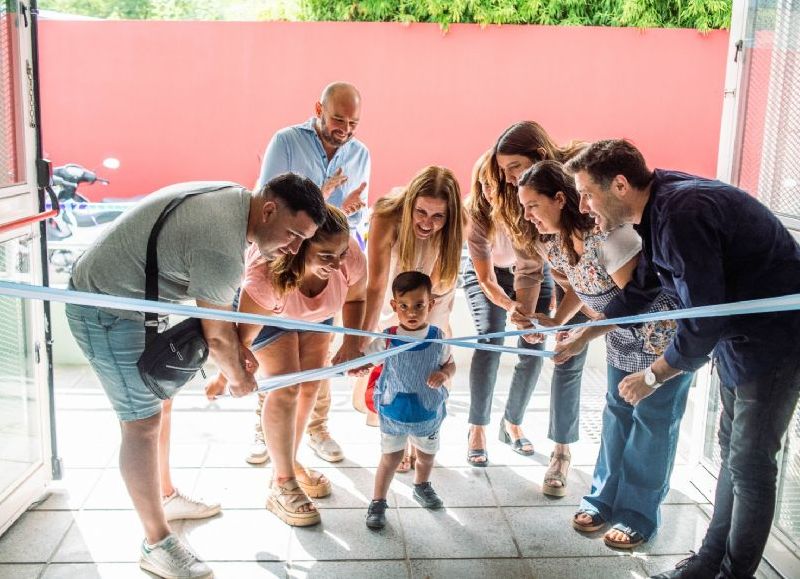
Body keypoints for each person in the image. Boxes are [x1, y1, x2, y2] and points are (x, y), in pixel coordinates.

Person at [65, 174, 326, 579]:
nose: (295, 248)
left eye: (303, 240)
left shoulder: (235, 199)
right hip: (104, 309)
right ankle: (156, 543)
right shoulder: (221, 247)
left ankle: (164, 496)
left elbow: (220, 326)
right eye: (293, 234)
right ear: (270, 209)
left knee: (159, 402)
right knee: (142, 424)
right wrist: (238, 379)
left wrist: (235, 355)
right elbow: (218, 337)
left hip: (129, 295)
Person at [565, 139, 800, 578]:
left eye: (586, 193)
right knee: (733, 453)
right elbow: (645, 288)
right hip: (740, 340)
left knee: (750, 464)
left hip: (775, 342)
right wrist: (589, 331)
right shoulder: (657, 207)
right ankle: (710, 561)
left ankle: (733, 573)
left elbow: (702, 320)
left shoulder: (681, 215)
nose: (583, 204)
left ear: (619, 185)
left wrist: (651, 377)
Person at [517, 160, 694, 548]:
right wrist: (558, 322)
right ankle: (602, 500)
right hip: (618, 336)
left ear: (560, 199)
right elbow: (582, 289)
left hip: (660, 337)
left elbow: (637, 300)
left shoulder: (611, 237)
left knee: (652, 423)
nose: (527, 216)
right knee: (617, 414)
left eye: (532, 205)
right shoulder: (558, 244)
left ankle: (638, 515)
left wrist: (581, 337)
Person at [206, 205, 366, 527]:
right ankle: (282, 483)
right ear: (300, 246)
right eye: (325, 256)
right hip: (270, 317)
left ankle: (288, 464)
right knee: (287, 387)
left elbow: (357, 298)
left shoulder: (346, 257)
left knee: (310, 386)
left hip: (316, 316)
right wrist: (226, 374)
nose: (337, 264)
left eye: (341, 253)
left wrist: (352, 344)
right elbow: (243, 340)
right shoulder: (267, 275)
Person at [238, 81, 370, 466]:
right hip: (284, 263)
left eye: (353, 123)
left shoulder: (361, 154)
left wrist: (340, 222)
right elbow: (272, 203)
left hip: (321, 272)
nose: (345, 130)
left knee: (311, 380)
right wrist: (325, 195)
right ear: (318, 109)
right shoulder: (286, 141)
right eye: (338, 119)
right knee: (283, 381)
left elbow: (353, 215)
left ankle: (308, 437)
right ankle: (270, 439)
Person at [472, 121, 589, 496]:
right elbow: (529, 267)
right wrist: (525, 317)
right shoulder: (516, 200)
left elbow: (597, 276)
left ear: (539, 157)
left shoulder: (581, 172)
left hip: (599, 279)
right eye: (502, 172)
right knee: (550, 345)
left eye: (513, 168)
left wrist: (560, 323)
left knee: (568, 356)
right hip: (570, 279)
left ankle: (561, 452)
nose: (507, 181)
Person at [359, 165, 464, 472]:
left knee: (429, 363)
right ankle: (399, 437)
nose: (427, 223)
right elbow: (376, 283)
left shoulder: (458, 226)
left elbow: (438, 287)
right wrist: (362, 340)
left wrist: (428, 317)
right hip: (397, 289)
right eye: (421, 212)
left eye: (438, 217)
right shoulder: (386, 215)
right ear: (409, 205)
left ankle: (423, 434)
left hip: (436, 292)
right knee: (397, 365)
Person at [462, 150, 548, 467]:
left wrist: (533, 309)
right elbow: (486, 278)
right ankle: (477, 428)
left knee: (535, 340)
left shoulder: (525, 206)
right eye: (483, 184)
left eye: (495, 184)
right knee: (490, 338)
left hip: (530, 268)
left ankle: (512, 422)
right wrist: (510, 305)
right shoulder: (475, 215)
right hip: (488, 274)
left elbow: (536, 261)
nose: (489, 192)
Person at [352, 272, 455, 530]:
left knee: (427, 457)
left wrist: (444, 374)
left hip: (427, 413)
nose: (412, 312)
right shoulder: (387, 338)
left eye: (419, 305)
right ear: (394, 306)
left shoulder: (438, 337)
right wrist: (355, 365)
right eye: (404, 306)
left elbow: (450, 364)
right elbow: (366, 360)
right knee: (390, 458)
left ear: (431, 304)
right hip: (393, 412)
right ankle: (378, 501)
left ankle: (421, 485)